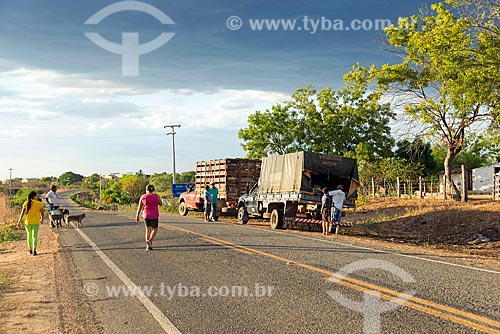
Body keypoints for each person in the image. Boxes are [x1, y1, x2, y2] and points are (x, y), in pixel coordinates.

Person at [17, 191, 44, 256]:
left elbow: (22, 213)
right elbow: (42, 213)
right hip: (35, 222)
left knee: (29, 236)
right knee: (35, 236)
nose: (37, 197)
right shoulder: (39, 203)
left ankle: (30, 249)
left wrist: (19, 221)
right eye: (36, 196)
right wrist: (42, 219)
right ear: (34, 196)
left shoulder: (26, 203)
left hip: (27, 222)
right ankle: (34, 250)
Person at [136, 184, 162, 251]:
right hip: (154, 215)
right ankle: (150, 241)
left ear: (146, 189)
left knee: (148, 229)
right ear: (153, 189)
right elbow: (160, 204)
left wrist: (137, 216)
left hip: (146, 215)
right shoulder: (156, 196)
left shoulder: (143, 197)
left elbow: (139, 207)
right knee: (155, 229)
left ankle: (148, 246)